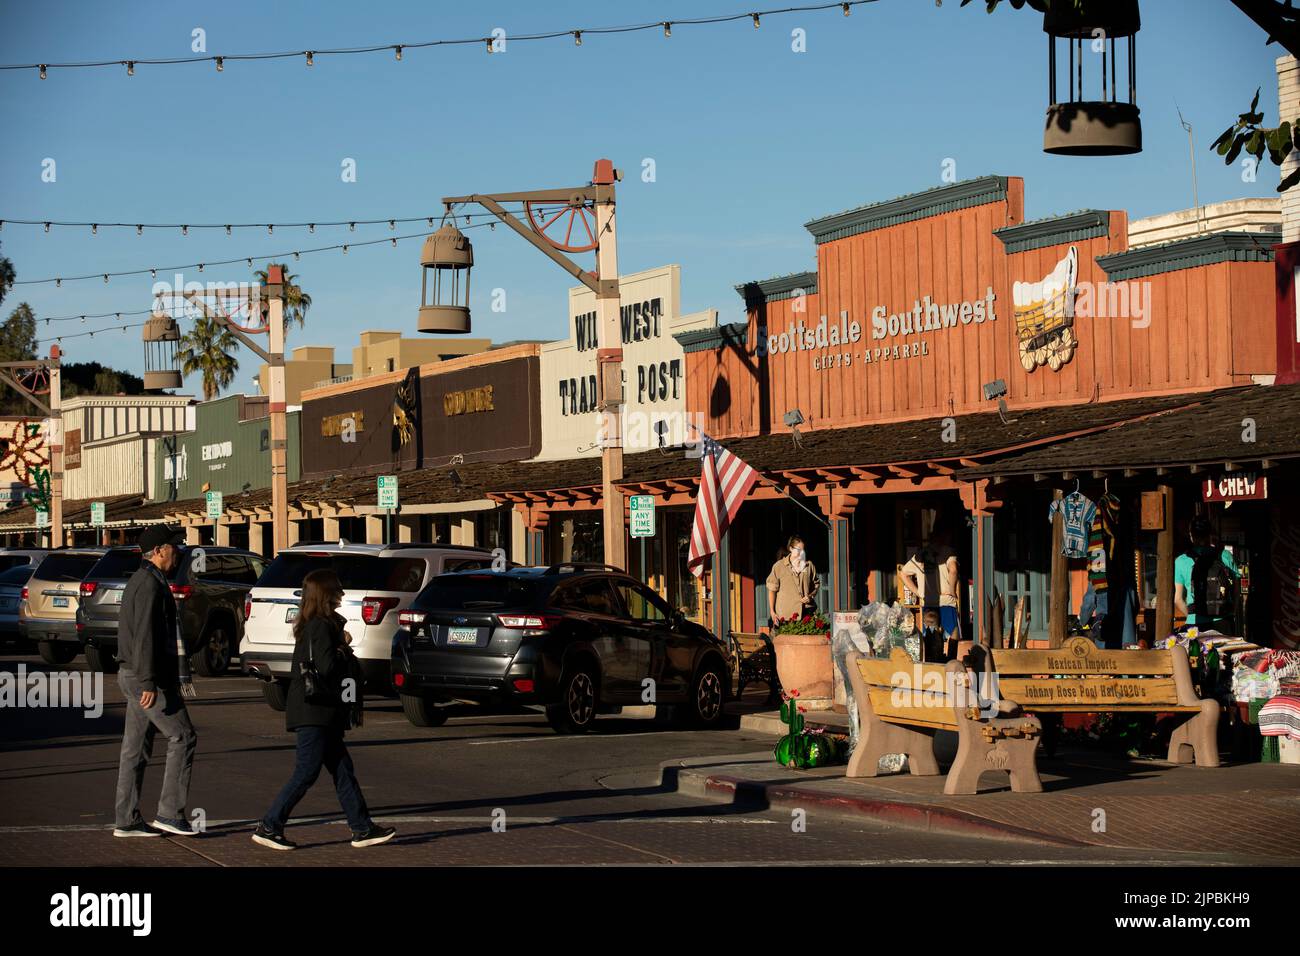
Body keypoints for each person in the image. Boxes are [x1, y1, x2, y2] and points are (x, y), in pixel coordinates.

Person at [252, 568, 395, 850]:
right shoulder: (320, 625)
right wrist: (344, 646)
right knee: (306, 771)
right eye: (337, 588)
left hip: (322, 709)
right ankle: (270, 825)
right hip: (314, 710)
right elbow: (327, 667)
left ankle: (362, 828)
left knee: (343, 769)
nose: (342, 593)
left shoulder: (317, 622)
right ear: (326, 594)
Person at [113, 525, 199, 838]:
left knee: (134, 749)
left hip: (133, 673)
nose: (178, 551)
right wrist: (149, 681)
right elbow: (145, 636)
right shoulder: (149, 584)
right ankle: (170, 813)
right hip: (146, 676)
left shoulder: (142, 580)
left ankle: (127, 819)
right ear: (160, 550)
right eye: (174, 546)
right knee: (183, 736)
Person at [900, 519, 961, 646]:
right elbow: (953, 570)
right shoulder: (948, 553)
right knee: (951, 641)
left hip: (927, 603)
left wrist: (918, 592)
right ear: (945, 535)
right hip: (946, 602)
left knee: (930, 643)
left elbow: (903, 573)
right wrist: (951, 590)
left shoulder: (921, 554)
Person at [1174, 516, 1238, 633]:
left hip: (1195, 622)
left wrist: (1192, 614)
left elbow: (1178, 599)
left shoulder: (1181, 561)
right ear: (1209, 534)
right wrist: (1230, 611)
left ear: (1191, 536)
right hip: (1223, 620)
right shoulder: (1225, 556)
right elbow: (1235, 592)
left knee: (1197, 651)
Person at [766, 536, 820, 625]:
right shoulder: (779, 566)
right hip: (785, 615)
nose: (801, 553)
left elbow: (816, 585)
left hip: (807, 613)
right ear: (790, 548)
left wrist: (810, 596)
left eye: (803, 550)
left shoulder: (809, 565)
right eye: (798, 550)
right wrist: (772, 612)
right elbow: (772, 590)